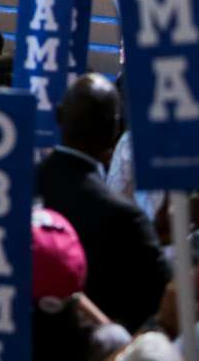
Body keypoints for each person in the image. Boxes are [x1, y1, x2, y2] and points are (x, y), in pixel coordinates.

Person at [37, 75, 168, 329]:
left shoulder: (15, 188)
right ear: (114, 131)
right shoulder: (126, 219)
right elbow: (158, 303)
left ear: (59, 115)